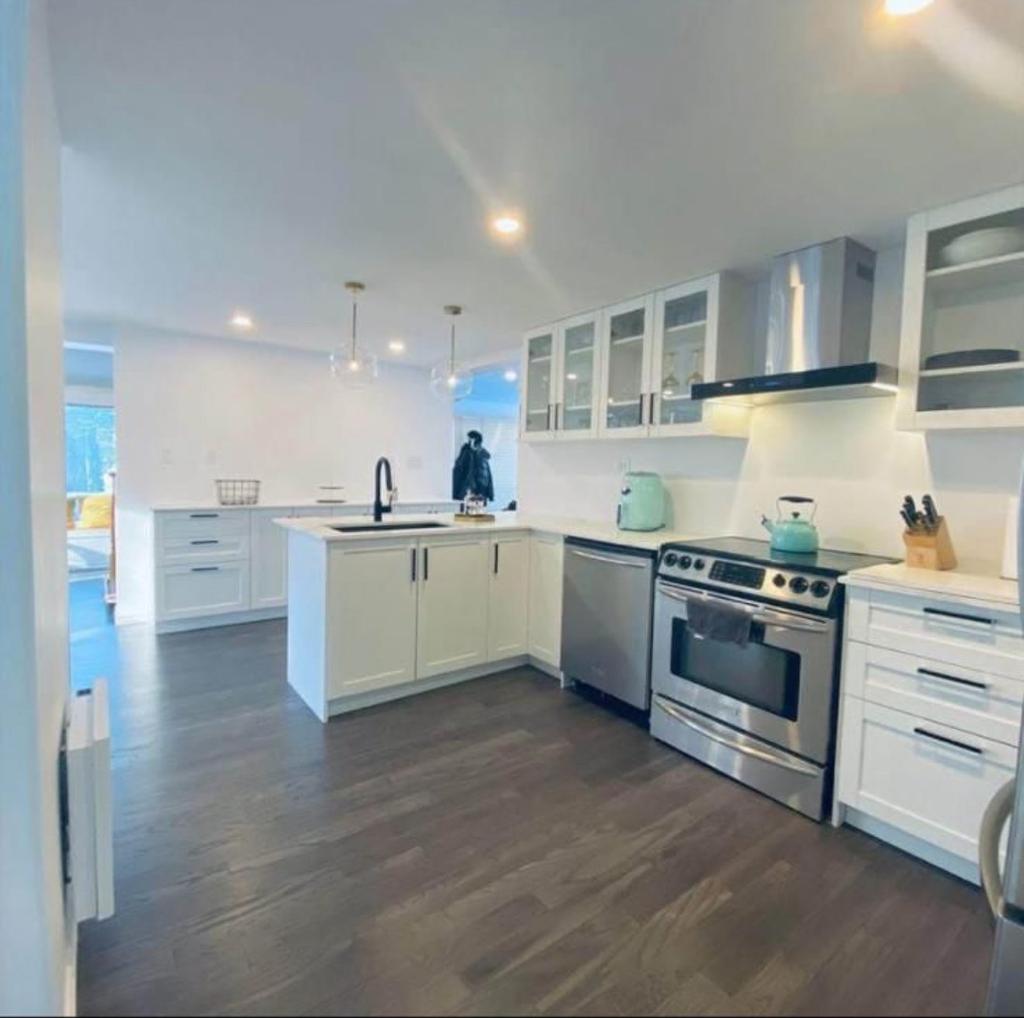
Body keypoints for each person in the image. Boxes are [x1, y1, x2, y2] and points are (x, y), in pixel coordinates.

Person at [452, 430, 495, 503]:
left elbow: (488, 477)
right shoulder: (469, 454)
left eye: (470, 440)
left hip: (477, 493)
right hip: (472, 493)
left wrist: (490, 494)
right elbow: (458, 472)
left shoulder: (481, 456)